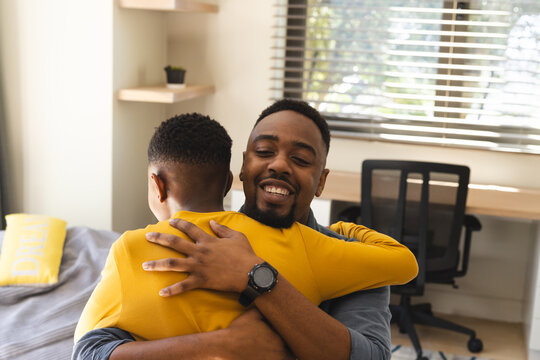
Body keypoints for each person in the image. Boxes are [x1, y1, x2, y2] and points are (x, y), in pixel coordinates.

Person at [73, 101, 414, 360]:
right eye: (264, 151)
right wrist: (221, 345)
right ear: (240, 168)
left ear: (321, 181)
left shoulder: (345, 257)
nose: (279, 164)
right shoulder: (174, 244)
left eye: (301, 159)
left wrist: (257, 277)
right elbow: (96, 346)